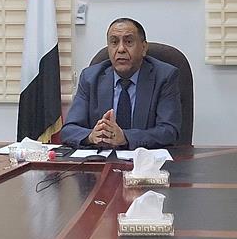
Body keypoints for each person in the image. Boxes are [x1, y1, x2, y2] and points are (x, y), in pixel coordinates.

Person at [61, 18, 181, 149]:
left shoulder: (164, 77)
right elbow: (69, 130)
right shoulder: (90, 78)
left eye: (128, 42)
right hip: (103, 158)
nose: (121, 49)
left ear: (144, 48)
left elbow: (169, 131)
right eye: (114, 42)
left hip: (145, 159)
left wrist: (125, 137)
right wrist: (91, 136)